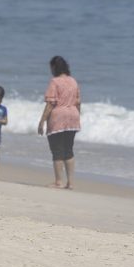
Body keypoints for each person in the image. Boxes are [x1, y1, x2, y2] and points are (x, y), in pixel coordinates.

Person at [38, 55, 81, 189]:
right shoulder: (73, 81)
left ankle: (58, 182)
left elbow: (51, 104)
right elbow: (78, 102)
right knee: (69, 150)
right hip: (73, 116)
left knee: (57, 151)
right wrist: (78, 115)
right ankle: (71, 183)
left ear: (54, 67)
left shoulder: (55, 82)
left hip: (59, 117)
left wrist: (42, 121)